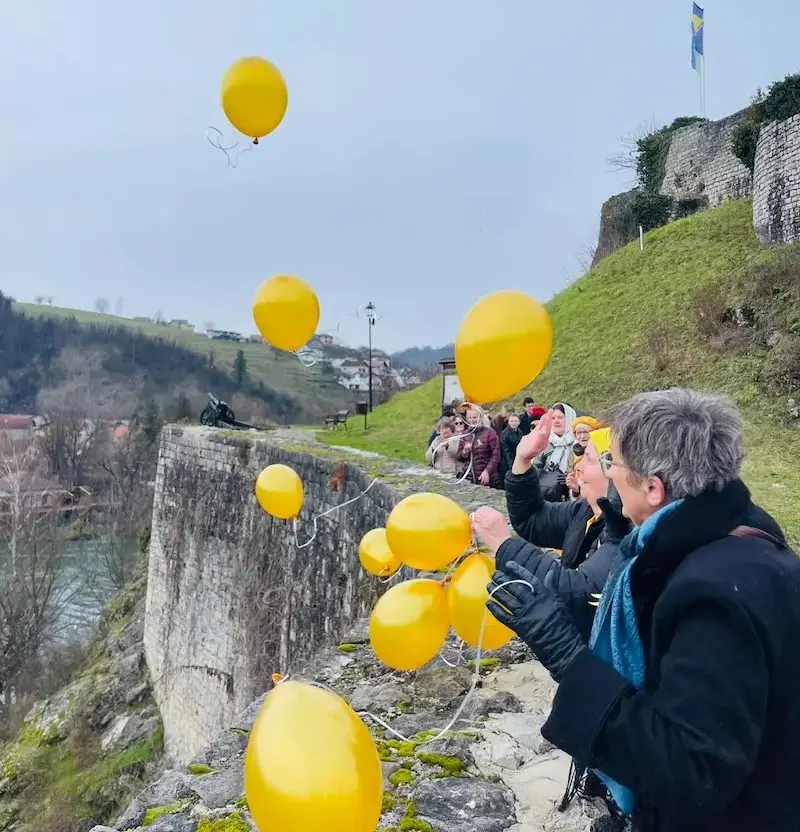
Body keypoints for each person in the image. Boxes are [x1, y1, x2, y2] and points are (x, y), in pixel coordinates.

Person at [487, 388, 800, 831]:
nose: (608, 474)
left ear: (654, 488)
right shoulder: (734, 538)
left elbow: (691, 771)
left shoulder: (714, 597)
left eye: (613, 463)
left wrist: (565, 655)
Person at [534, 403, 577, 502]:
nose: (556, 421)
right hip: (549, 496)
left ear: (570, 418)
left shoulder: (579, 442)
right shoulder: (545, 442)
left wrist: (571, 478)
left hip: (573, 498)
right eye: (553, 418)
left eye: (561, 417)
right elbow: (536, 468)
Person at [458, 407, 500, 487]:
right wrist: (464, 452)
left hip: (488, 478)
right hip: (470, 478)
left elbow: (496, 455)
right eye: (469, 418)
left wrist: (487, 471)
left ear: (480, 417)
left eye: (474, 417)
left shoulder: (490, 432)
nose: (472, 420)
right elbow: (458, 457)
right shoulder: (464, 435)